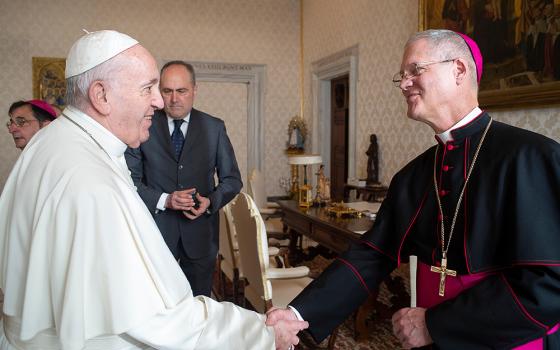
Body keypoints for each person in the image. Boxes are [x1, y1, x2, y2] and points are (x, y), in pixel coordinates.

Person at [0, 29, 307, 350]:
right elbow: (160, 321)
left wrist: (209, 201)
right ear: (101, 95)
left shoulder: (51, 143)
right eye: (149, 88)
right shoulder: (91, 182)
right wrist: (263, 332)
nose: (160, 101)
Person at [268, 29, 560, 349]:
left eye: (416, 70)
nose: (404, 83)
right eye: (402, 75)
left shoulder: (531, 158)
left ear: (459, 69)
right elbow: (372, 254)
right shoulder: (414, 175)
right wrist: (297, 313)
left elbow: (548, 286)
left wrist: (436, 324)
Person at [125, 60, 242, 297]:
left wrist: (211, 202)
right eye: (167, 91)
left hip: (200, 236)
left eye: (182, 91)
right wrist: (165, 200)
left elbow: (232, 180)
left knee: (199, 305)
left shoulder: (214, 128)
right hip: (154, 234)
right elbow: (129, 182)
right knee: (156, 305)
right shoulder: (142, 125)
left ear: (194, 90)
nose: (174, 99)